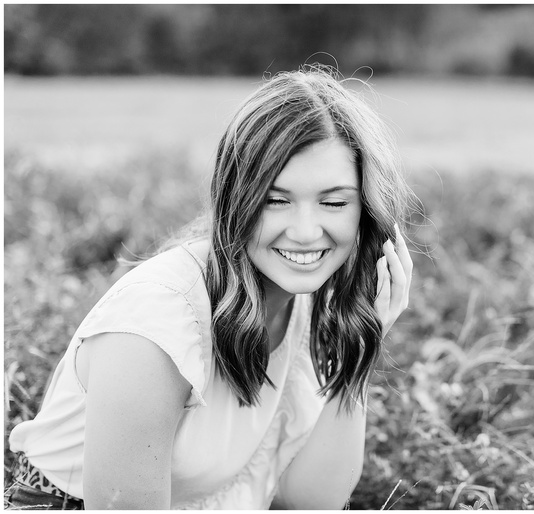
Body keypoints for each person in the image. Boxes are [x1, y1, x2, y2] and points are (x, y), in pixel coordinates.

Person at [7, 66, 415, 510]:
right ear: (235, 200)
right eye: (275, 200)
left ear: (366, 212)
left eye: (333, 202)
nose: (304, 232)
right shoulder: (156, 321)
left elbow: (307, 503)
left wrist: (360, 351)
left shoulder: (304, 301)